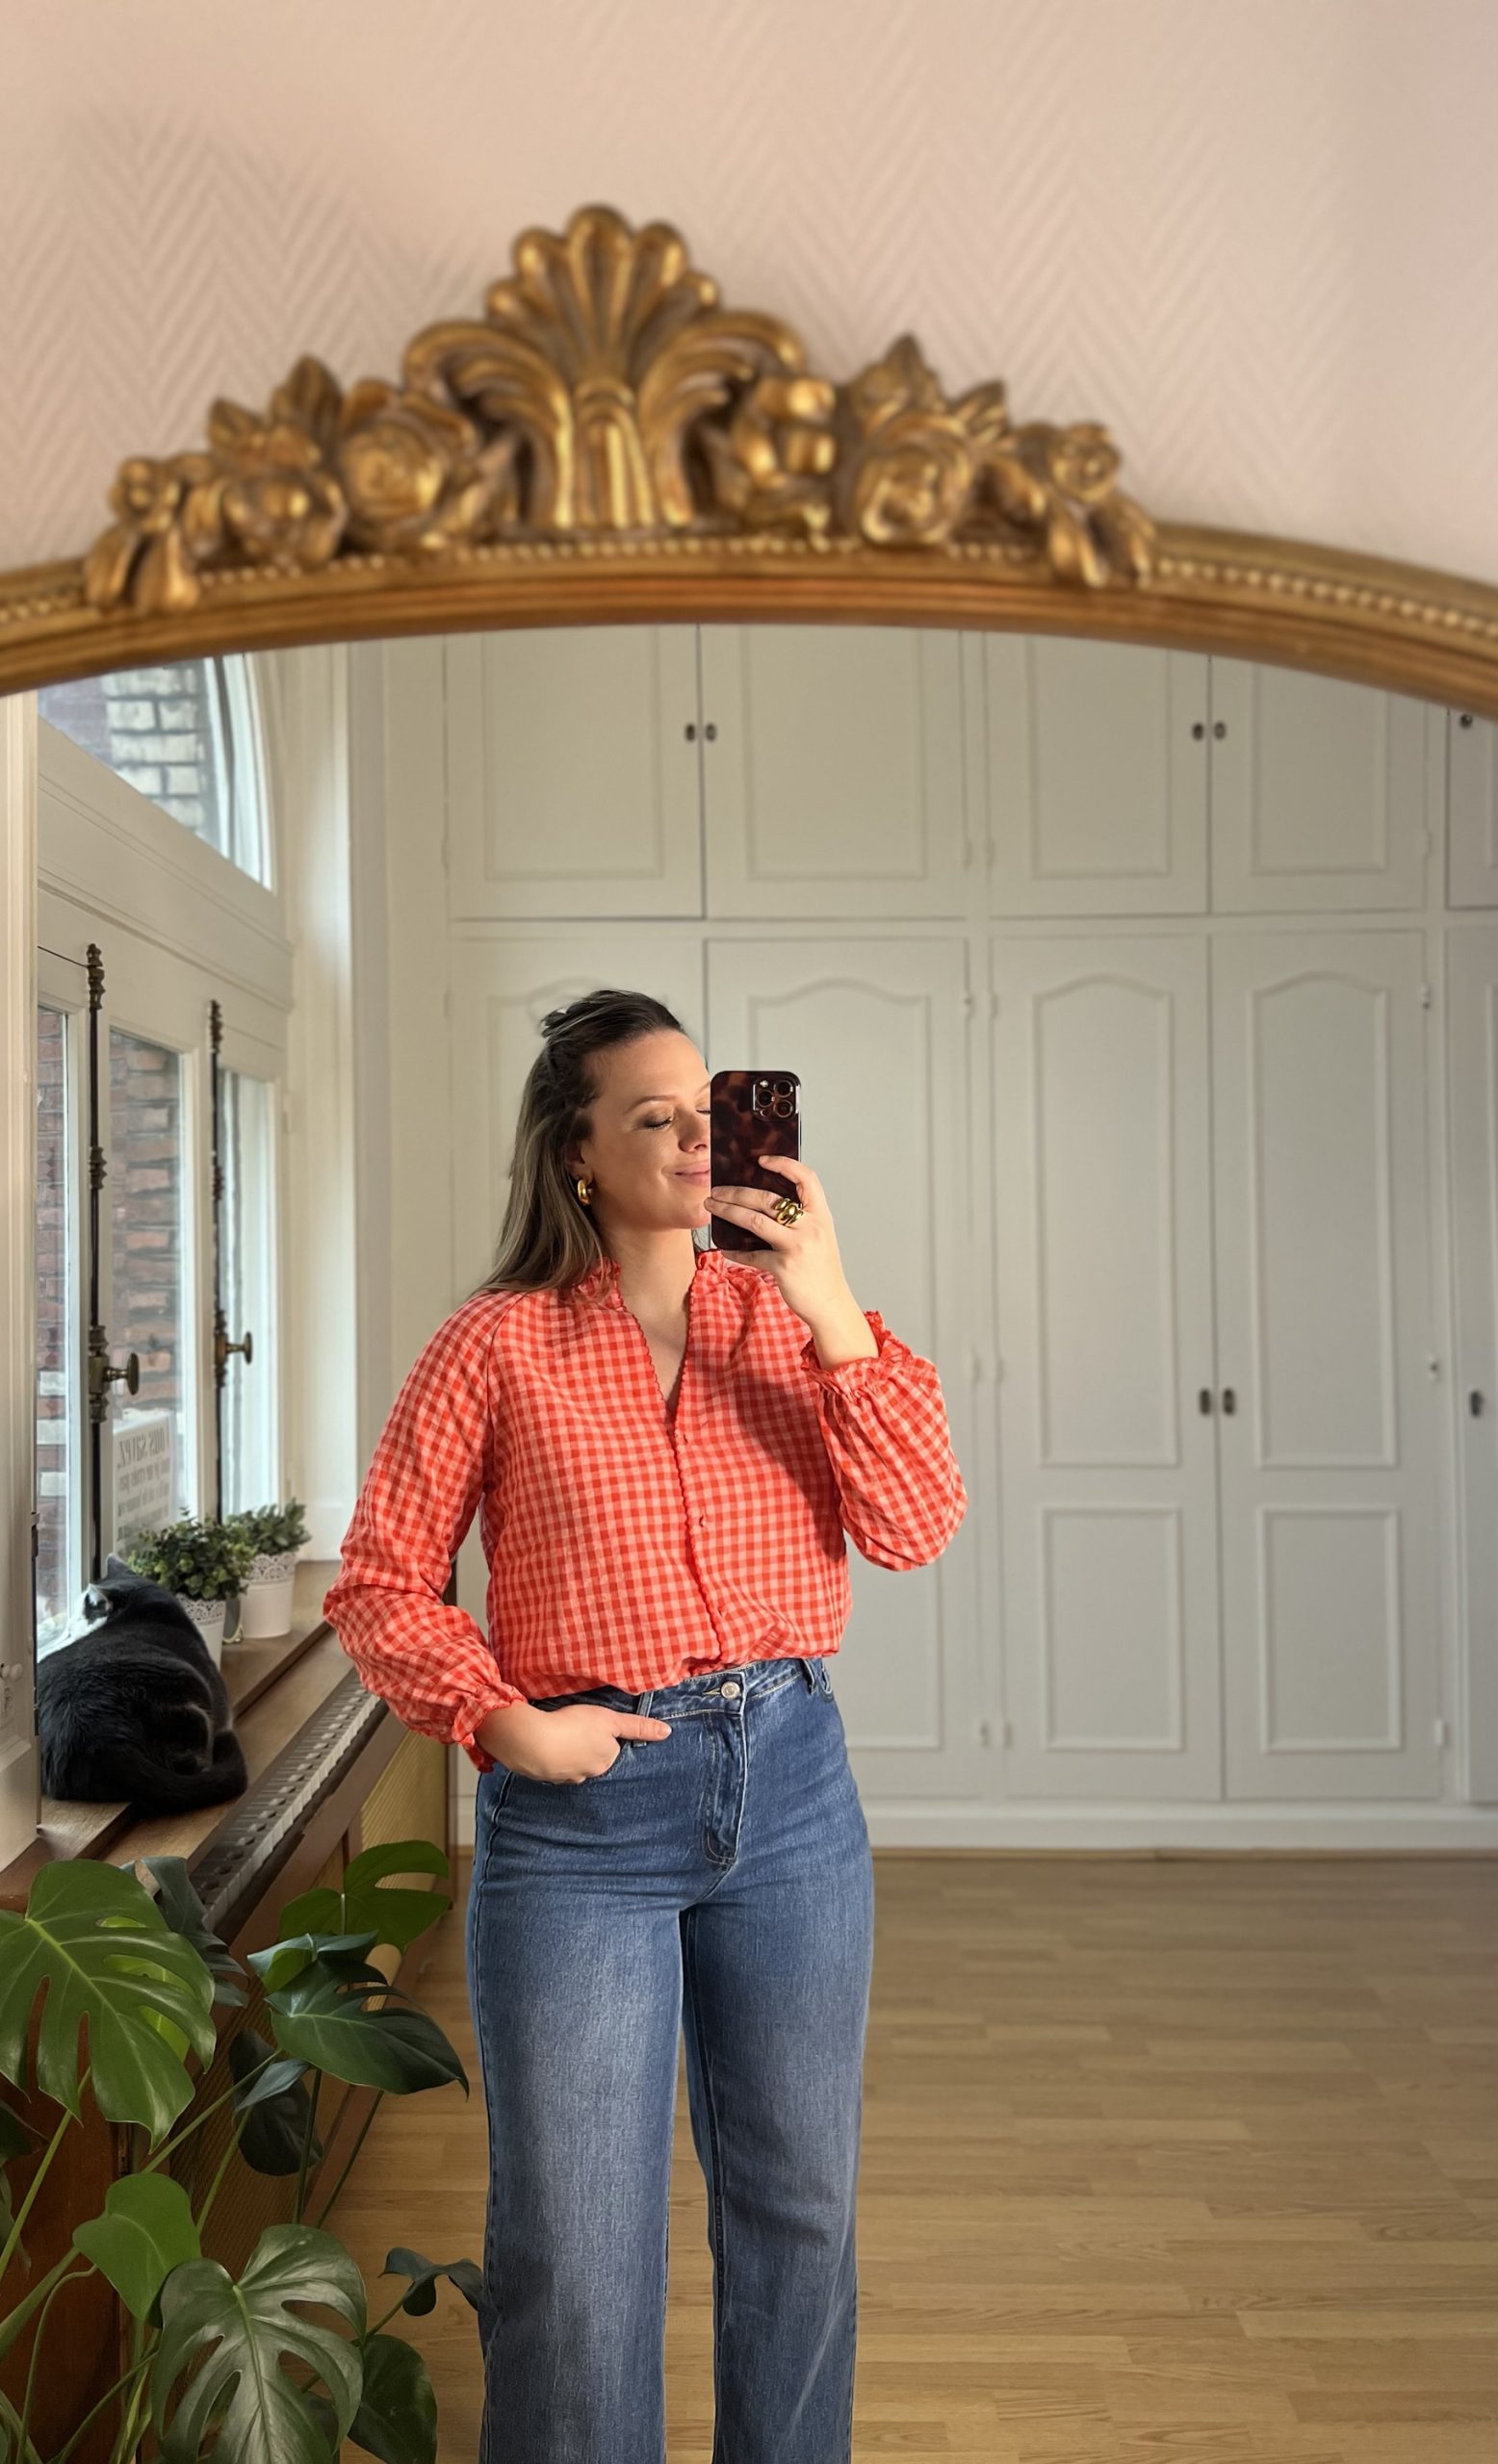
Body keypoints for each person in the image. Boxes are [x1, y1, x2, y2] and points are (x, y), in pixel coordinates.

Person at [323, 987, 968, 2464]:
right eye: (654, 1117)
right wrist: (502, 1722)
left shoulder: (794, 1327)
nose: (694, 1140)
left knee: (800, 2206)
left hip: (791, 1789)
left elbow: (916, 1523)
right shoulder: (493, 1346)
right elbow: (379, 1583)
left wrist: (828, 1298)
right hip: (581, 1819)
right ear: (577, 1152)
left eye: (708, 1110)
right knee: (575, 2240)